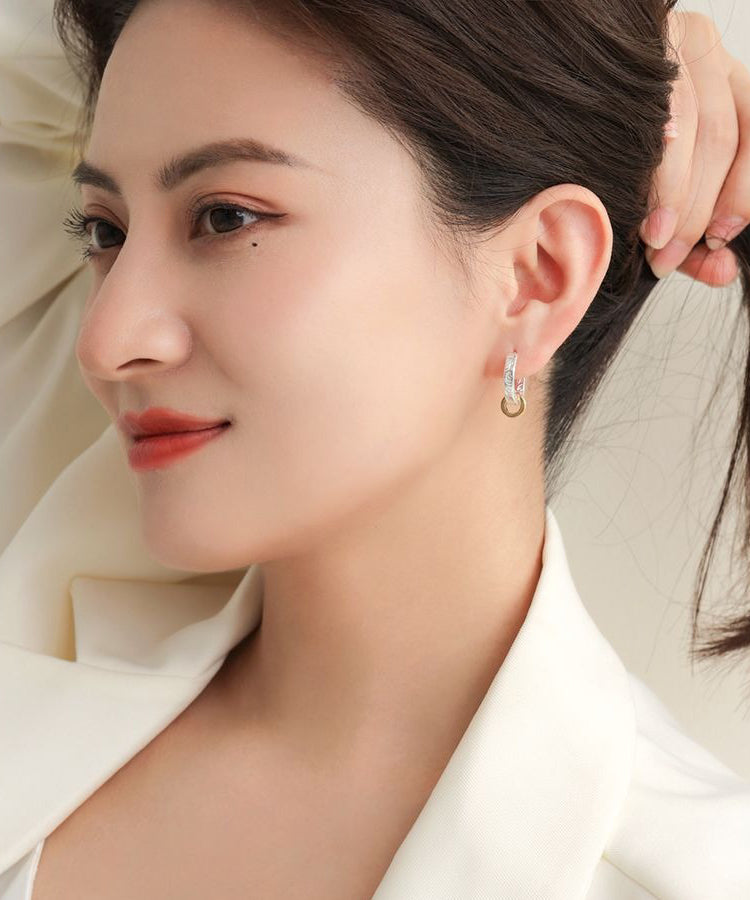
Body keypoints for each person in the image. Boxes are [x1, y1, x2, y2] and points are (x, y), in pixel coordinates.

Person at [1, 0, 749, 897]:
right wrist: (650, 47)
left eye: (226, 217)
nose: (106, 339)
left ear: (535, 274)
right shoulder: (44, 648)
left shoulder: (694, 873)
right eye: (104, 231)